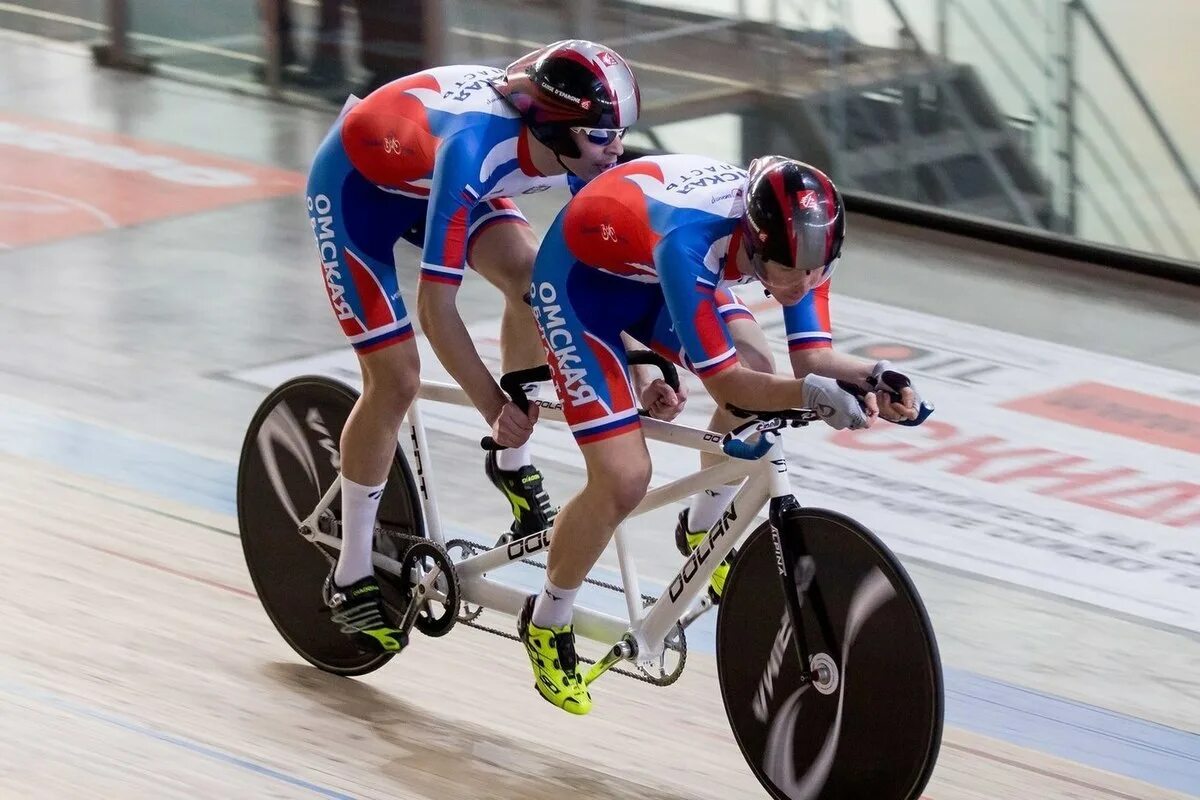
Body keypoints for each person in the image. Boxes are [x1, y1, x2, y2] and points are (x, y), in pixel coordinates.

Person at [520, 154, 928, 714]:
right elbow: (733, 389)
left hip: (647, 270)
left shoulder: (802, 248)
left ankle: (703, 531)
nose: (803, 284)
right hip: (580, 287)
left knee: (763, 359)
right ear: (756, 246)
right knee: (624, 477)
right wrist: (809, 394)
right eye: (787, 271)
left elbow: (811, 356)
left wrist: (874, 376)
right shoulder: (694, 238)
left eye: (818, 270)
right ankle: (546, 618)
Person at [303, 40, 640, 652]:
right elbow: (437, 310)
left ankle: (509, 464)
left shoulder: (572, 147)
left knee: (535, 281)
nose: (616, 148)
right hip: (359, 192)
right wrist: (492, 407)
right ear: (557, 129)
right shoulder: (473, 150)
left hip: (428, 178)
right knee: (396, 378)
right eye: (600, 134)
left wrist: (648, 362)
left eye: (619, 132)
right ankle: (350, 572)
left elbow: (601, 272)